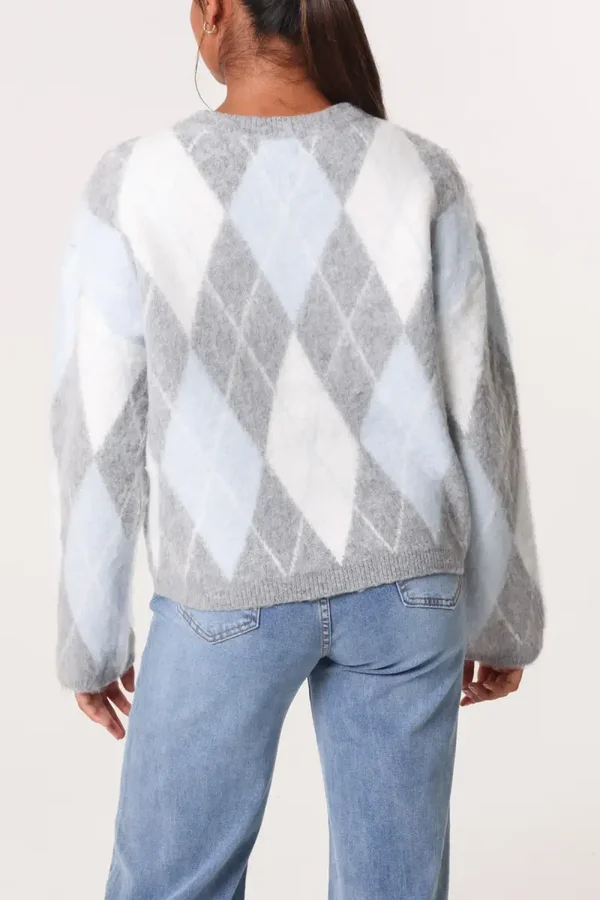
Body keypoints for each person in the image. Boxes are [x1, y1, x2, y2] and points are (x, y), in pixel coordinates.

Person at [49, 0, 545, 897]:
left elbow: (96, 426)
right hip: (408, 586)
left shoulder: (136, 181)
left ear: (213, 12)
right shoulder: (420, 172)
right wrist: (504, 614)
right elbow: (486, 406)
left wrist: (90, 638)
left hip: (224, 589)